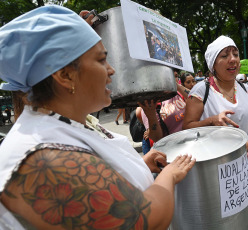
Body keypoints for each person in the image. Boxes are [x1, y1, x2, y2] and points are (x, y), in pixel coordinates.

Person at [0, 6, 195, 229]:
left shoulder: (66, 124)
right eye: (101, 60)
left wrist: (140, 165)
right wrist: (168, 176)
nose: (111, 70)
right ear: (65, 75)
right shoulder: (43, 158)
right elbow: (147, 220)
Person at [182, 35, 248, 229]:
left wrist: (243, 147)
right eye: (225, 55)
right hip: (217, 172)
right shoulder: (201, 90)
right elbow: (187, 127)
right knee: (229, 223)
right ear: (213, 64)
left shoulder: (247, 89)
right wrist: (212, 121)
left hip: (246, 164)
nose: (233, 59)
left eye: (235, 54)